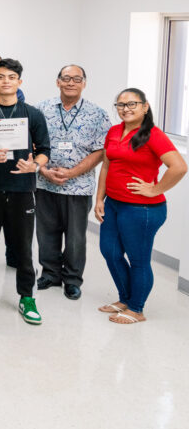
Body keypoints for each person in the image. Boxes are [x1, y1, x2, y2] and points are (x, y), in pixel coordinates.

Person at [0, 58, 50, 325]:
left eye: (11, 77)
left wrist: (34, 166)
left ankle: (27, 297)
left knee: (23, 248)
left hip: (21, 189)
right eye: (0, 77)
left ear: (19, 82)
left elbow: (45, 150)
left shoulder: (33, 114)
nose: (5, 81)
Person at [95, 88, 186, 325]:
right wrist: (99, 199)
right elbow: (106, 166)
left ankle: (136, 308)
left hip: (141, 210)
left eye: (132, 104)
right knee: (110, 252)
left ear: (145, 107)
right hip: (113, 204)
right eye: (121, 104)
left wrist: (155, 189)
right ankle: (125, 299)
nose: (125, 109)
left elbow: (179, 167)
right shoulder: (114, 131)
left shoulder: (153, 135)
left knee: (138, 260)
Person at [34, 65, 110, 300]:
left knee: (76, 237)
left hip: (79, 187)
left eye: (77, 79)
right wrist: (44, 170)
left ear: (84, 83)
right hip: (45, 183)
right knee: (46, 232)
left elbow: (101, 151)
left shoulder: (97, 114)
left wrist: (72, 172)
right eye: (66, 78)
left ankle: (72, 280)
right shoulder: (41, 109)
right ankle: (50, 274)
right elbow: (31, 143)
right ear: (57, 82)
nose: (70, 83)